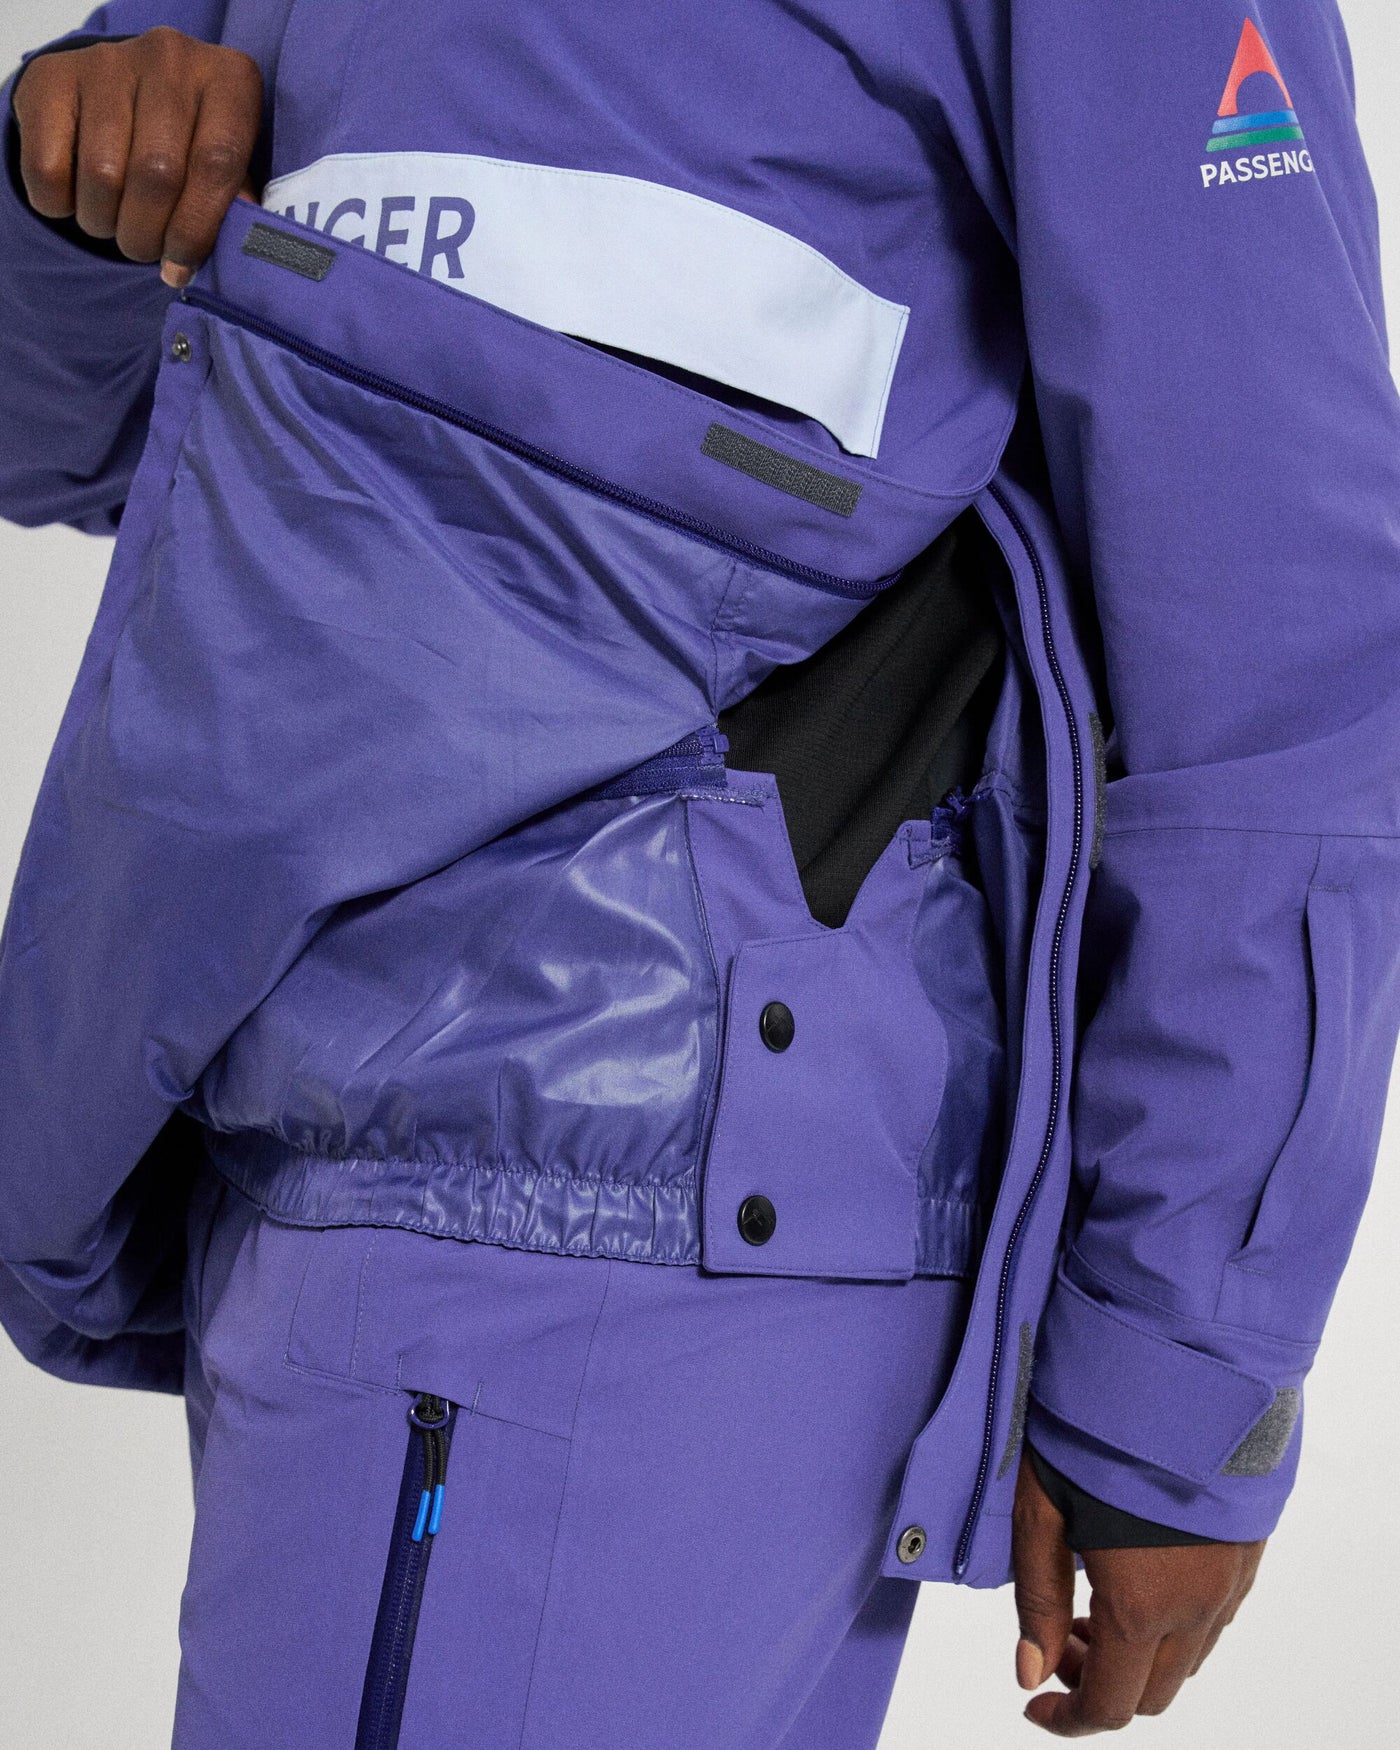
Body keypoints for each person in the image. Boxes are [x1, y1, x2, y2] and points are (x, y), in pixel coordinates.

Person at [1, 4, 1396, 1746]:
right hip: (324, 1161)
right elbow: (86, 434)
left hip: (608, 1240)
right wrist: (65, 173)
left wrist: (1187, 1371)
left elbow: (1281, 629)